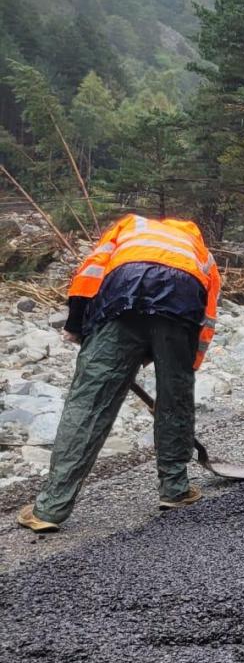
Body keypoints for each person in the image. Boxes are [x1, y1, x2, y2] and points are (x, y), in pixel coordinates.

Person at [17, 214, 222, 533]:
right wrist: (179, 376)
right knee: (175, 401)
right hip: (182, 303)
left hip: (121, 299)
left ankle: (51, 507)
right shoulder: (200, 253)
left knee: (88, 404)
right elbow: (206, 320)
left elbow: (90, 274)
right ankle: (175, 490)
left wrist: (75, 326)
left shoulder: (128, 229)